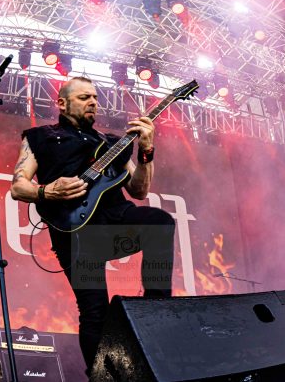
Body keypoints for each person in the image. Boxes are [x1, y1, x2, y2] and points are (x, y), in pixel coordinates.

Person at [10, 76, 176, 375]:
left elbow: (139, 191)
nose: (93, 103)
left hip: (114, 224)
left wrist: (147, 149)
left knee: (159, 223)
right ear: (62, 103)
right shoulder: (39, 137)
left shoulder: (112, 143)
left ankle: (155, 309)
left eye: (95, 98)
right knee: (94, 310)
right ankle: (101, 377)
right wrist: (48, 191)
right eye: (84, 97)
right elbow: (18, 187)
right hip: (76, 234)